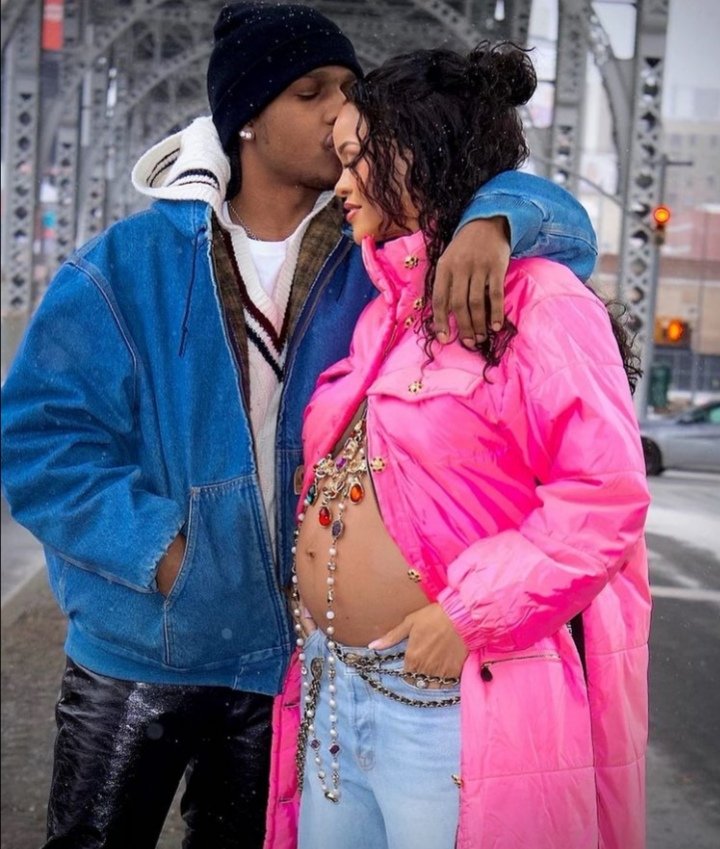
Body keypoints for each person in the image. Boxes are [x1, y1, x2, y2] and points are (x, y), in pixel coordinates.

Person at [1, 4, 600, 848]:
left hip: (290, 665)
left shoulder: (377, 254)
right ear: (246, 118)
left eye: (350, 89)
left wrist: (492, 220)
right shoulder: (125, 264)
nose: (339, 111)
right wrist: (166, 553)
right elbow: (40, 438)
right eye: (310, 91)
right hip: (141, 648)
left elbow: (564, 224)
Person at [266, 42, 651, 849]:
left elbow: (602, 499)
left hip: (447, 703)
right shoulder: (385, 312)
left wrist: (469, 614)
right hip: (336, 691)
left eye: (356, 159)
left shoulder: (539, 301)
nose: (341, 184)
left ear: (415, 150)